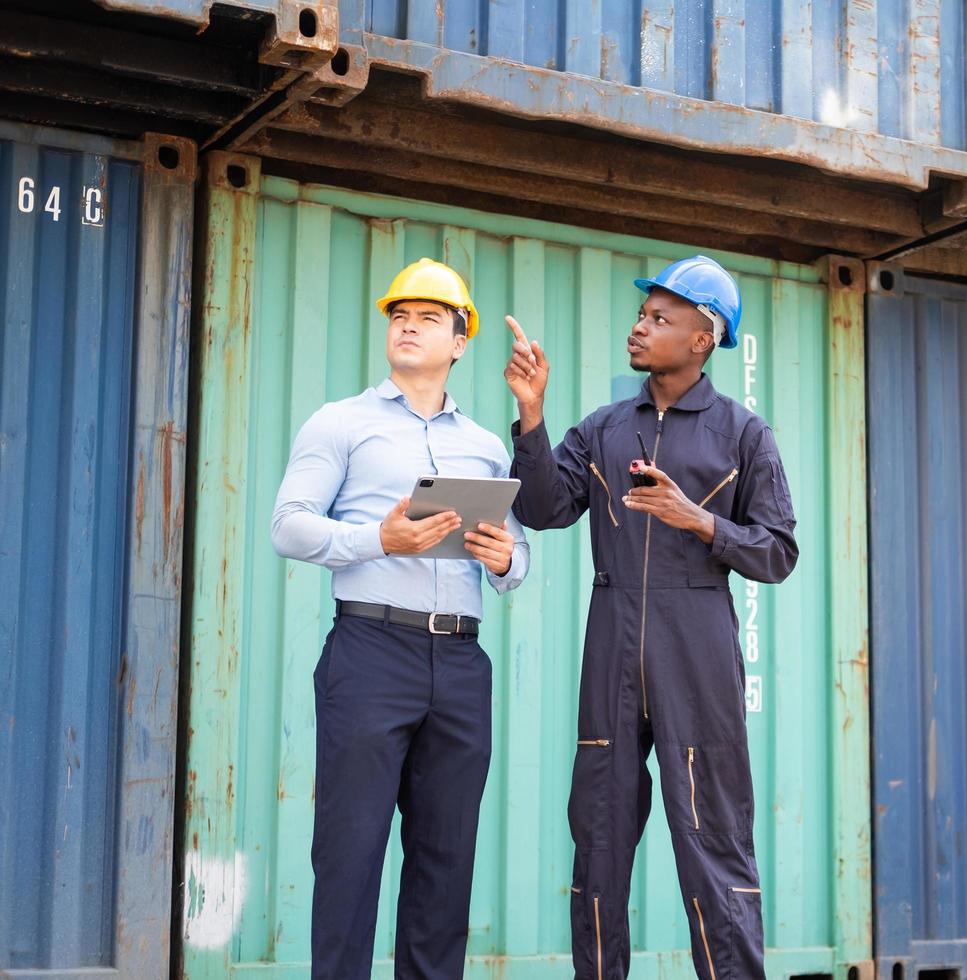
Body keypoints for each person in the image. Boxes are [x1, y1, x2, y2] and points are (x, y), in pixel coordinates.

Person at [503, 255, 797, 979]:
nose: (640, 326)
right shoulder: (605, 427)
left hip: (696, 650)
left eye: (660, 318)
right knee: (599, 844)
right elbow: (543, 509)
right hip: (611, 640)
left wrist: (700, 521)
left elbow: (778, 551)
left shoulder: (742, 435)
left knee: (713, 843)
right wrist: (533, 416)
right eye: (641, 314)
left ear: (704, 339)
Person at [271, 258, 529, 980]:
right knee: (350, 853)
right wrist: (376, 539)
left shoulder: (482, 445)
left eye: (428, 317)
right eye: (399, 315)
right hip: (370, 651)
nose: (409, 325)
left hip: (459, 665)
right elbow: (288, 527)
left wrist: (505, 557)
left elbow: (519, 563)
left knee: (446, 863)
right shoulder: (341, 423)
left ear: (459, 341)